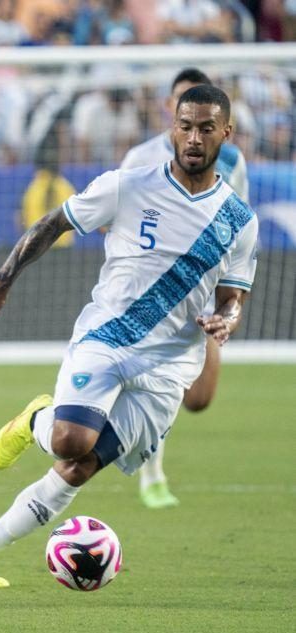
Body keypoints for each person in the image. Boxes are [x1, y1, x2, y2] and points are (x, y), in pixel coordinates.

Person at [0, 85, 257, 589]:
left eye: (205, 128)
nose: (193, 137)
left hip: (169, 366)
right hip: (109, 337)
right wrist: (4, 278)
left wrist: (229, 317)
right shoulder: (128, 186)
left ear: (227, 133)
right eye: (185, 125)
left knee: (80, 465)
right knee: (71, 438)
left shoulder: (238, 221)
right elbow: (54, 222)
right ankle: (36, 419)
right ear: (171, 127)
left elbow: (232, 294)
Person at [120, 67, 249, 509]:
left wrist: (229, 296)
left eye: (204, 122)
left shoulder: (231, 163)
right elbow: (111, 220)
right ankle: (151, 475)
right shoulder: (140, 160)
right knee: (156, 380)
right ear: (171, 113)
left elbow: (239, 223)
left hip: (205, 289)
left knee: (197, 399)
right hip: (150, 293)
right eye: (184, 114)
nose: (194, 129)